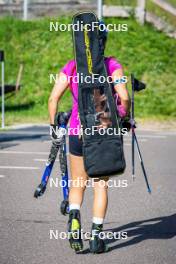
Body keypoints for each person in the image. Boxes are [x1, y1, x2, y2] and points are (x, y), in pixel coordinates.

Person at [48, 21, 130, 254]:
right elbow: (124, 97)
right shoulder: (112, 65)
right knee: (101, 186)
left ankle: (74, 219)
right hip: (103, 130)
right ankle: (96, 237)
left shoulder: (72, 66)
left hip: (76, 131)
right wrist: (123, 117)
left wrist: (54, 126)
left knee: (78, 183)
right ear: (102, 41)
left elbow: (52, 99)